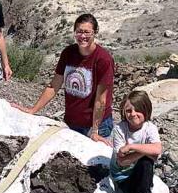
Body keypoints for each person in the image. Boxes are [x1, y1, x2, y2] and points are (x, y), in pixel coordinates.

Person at [12, 14, 114, 143]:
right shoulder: (68, 53)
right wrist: (33, 110)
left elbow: (101, 99)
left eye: (87, 32)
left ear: (95, 32)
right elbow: (54, 85)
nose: (82, 36)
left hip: (96, 126)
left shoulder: (103, 59)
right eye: (79, 32)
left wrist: (95, 130)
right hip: (72, 121)